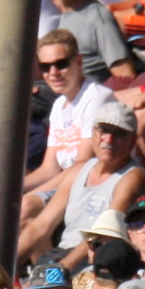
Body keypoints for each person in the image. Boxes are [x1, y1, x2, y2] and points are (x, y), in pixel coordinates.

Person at [17, 103, 145, 271]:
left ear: (132, 141)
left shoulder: (134, 177)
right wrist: (7, 266)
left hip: (99, 263)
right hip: (61, 255)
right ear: (93, 133)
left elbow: (104, 232)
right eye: (104, 130)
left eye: (119, 134)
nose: (108, 140)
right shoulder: (79, 170)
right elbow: (41, 225)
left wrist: (62, 269)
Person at [25, 30, 115, 195]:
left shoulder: (96, 98)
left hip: (92, 185)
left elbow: (83, 164)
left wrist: (32, 195)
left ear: (79, 61)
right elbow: (49, 168)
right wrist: (10, 190)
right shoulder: (59, 105)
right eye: (45, 67)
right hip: (67, 181)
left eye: (61, 64)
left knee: (24, 207)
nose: (53, 73)